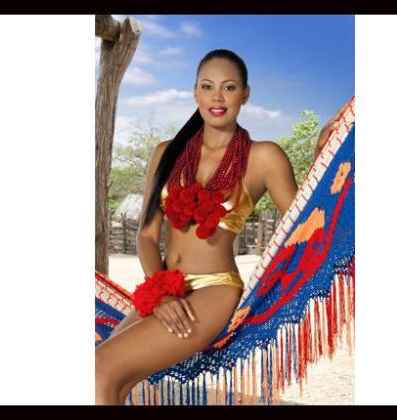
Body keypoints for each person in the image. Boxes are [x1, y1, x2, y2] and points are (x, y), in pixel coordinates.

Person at [95, 48, 347, 405]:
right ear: (195, 92)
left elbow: (307, 225)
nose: (217, 97)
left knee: (100, 369)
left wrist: (324, 158)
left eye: (229, 87)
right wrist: (163, 294)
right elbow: (147, 236)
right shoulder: (167, 153)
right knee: (108, 380)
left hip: (214, 291)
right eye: (207, 86)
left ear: (245, 94)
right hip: (165, 288)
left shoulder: (264, 157)